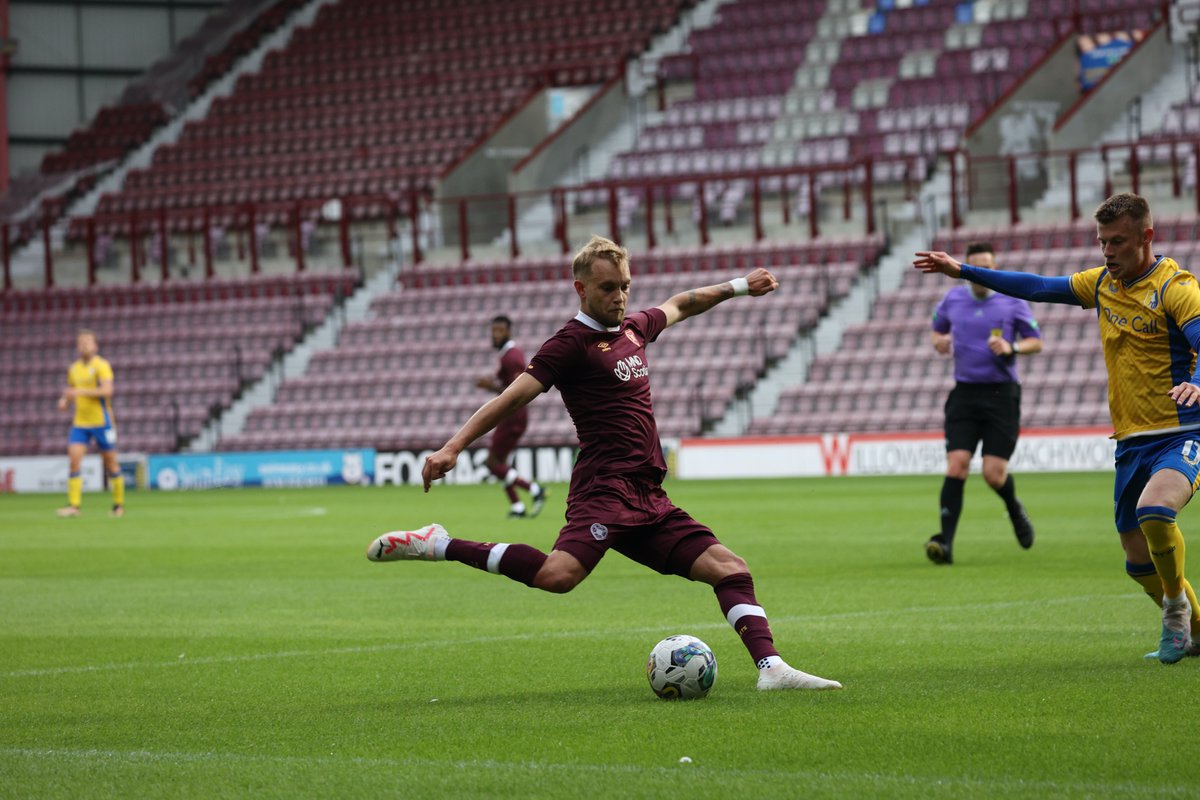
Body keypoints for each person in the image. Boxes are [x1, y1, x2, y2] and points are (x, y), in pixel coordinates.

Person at [367, 235, 841, 691]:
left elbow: (683, 303)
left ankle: (771, 669)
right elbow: (512, 398)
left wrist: (739, 286)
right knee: (558, 577)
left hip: (648, 496)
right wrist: (453, 446)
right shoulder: (568, 344)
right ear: (582, 288)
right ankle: (439, 543)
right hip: (604, 490)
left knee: (730, 568)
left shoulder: (634, 329)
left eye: (625, 286)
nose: (619, 296)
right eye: (608, 287)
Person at [914, 193, 1200, 664]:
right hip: (1130, 439)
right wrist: (963, 270)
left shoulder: (1175, 286)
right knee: (1135, 558)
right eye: (1102, 242)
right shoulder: (1102, 283)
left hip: (1181, 430)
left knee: (1155, 510)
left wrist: (1197, 382)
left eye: (1117, 242)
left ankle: (1174, 613)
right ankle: (1197, 630)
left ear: (1146, 236)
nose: (1107, 251)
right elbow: (1037, 286)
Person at [926, 242, 1043, 565]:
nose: (980, 273)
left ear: (995, 268)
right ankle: (945, 544)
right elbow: (936, 331)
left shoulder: (1012, 301)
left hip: (1001, 395)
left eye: (987, 267)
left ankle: (1014, 508)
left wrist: (1012, 348)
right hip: (964, 393)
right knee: (956, 465)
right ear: (966, 269)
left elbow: (1036, 342)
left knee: (993, 474)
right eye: (975, 267)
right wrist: (940, 341)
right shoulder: (952, 299)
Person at [475, 314, 546, 518]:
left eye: (500, 331)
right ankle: (517, 507)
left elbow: (515, 391)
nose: (496, 335)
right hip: (511, 414)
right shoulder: (507, 354)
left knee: (492, 464)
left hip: (513, 415)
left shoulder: (512, 357)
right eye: (493, 331)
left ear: (508, 331)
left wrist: (491, 386)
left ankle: (534, 489)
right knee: (501, 463)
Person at [57, 329, 124, 518]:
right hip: (80, 423)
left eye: (88, 342)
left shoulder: (102, 365)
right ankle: (74, 506)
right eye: (81, 342)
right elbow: (70, 391)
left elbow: (107, 391)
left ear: (95, 346)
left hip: (102, 421)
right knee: (74, 461)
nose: (84, 345)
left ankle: (118, 505)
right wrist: (64, 401)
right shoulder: (73, 369)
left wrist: (79, 392)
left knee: (111, 463)